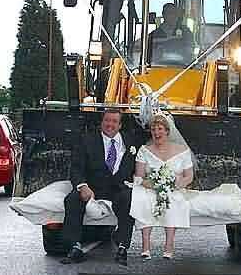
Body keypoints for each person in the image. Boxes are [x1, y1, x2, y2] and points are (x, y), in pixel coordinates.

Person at [62, 109, 138, 266]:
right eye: (107, 120)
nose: (110, 124)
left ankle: (123, 246)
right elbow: (76, 168)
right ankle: (74, 247)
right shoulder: (87, 140)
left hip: (118, 188)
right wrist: (82, 186)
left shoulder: (131, 142)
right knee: (72, 200)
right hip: (92, 188)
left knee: (129, 198)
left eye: (114, 121)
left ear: (120, 125)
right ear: (101, 122)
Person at [130, 114, 194, 260]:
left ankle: (169, 245)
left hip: (174, 187)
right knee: (143, 199)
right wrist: (152, 184)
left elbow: (189, 176)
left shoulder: (182, 151)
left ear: (167, 131)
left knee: (173, 200)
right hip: (149, 186)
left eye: (160, 129)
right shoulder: (144, 150)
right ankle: (145, 245)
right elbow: (139, 177)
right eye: (153, 130)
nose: (156, 133)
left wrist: (177, 184)